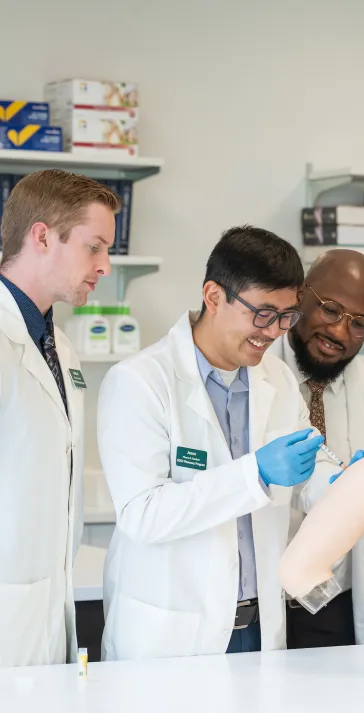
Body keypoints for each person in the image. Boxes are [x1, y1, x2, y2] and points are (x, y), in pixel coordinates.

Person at [97, 226, 340, 660]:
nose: (275, 332)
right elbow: (143, 515)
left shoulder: (278, 380)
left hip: (259, 627)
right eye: (263, 313)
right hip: (172, 637)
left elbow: (310, 469)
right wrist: (255, 473)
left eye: (287, 316)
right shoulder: (140, 382)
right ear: (213, 296)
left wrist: (346, 483)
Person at [0, 170, 119, 667]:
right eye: (94, 247)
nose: (106, 266)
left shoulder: (58, 348)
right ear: (43, 236)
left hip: (45, 606)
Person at [270, 248, 364, 648]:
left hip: (335, 605)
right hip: (264, 600)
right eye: (330, 309)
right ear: (300, 296)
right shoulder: (258, 379)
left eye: (359, 323)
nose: (341, 333)